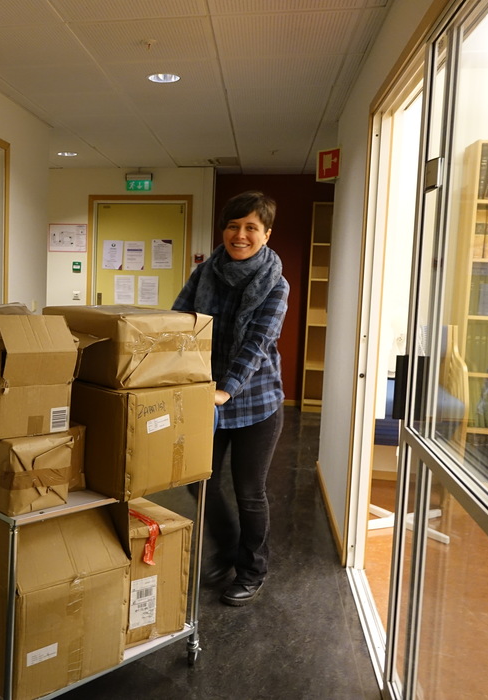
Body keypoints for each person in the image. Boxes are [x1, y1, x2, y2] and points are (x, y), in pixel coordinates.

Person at [173, 190, 289, 607]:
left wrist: (227, 388)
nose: (240, 235)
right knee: (197, 481)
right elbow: (179, 320)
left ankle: (252, 570)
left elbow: (258, 343)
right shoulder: (205, 272)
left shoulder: (275, 283)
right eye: (233, 226)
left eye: (251, 227)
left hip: (256, 402)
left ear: (266, 234)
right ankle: (228, 547)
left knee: (249, 491)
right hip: (208, 396)